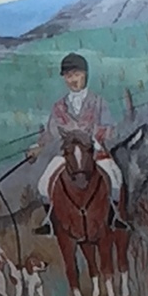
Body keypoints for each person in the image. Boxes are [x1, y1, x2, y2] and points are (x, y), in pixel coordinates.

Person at [32, 52, 122, 230]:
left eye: (77, 74)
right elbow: (50, 132)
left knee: (115, 178)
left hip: (95, 152)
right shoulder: (59, 107)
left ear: (85, 75)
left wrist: (94, 136)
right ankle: (50, 222)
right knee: (43, 183)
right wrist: (37, 146)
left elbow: (110, 129)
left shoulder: (98, 102)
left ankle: (114, 216)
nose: (73, 80)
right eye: (68, 76)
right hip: (68, 155)